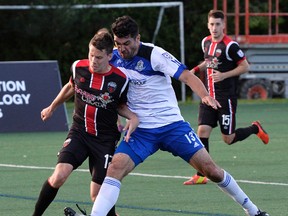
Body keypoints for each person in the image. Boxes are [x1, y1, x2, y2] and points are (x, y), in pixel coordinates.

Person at [66, 15, 269, 216]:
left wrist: (205, 95)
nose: (122, 49)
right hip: (142, 130)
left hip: (171, 126)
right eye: (118, 43)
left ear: (137, 38)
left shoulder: (155, 54)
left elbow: (187, 76)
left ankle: (253, 211)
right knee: (115, 168)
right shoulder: (114, 57)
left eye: (126, 43)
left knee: (211, 171)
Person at [32, 28, 138, 216]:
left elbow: (120, 105)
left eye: (98, 57)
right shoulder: (78, 67)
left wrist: (133, 117)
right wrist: (52, 107)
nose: (93, 61)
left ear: (109, 56)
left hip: (104, 140)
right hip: (79, 132)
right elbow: (71, 87)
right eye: (91, 55)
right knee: (59, 176)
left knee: (98, 198)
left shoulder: (120, 79)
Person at [183, 9, 269, 186]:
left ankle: (255, 128)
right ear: (208, 25)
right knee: (202, 132)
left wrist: (224, 75)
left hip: (225, 98)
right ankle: (200, 175)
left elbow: (245, 66)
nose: (214, 28)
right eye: (211, 24)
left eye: (218, 24)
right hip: (208, 96)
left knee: (228, 139)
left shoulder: (231, 46)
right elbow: (208, 61)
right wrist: (196, 70)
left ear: (224, 26)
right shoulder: (205, 42)